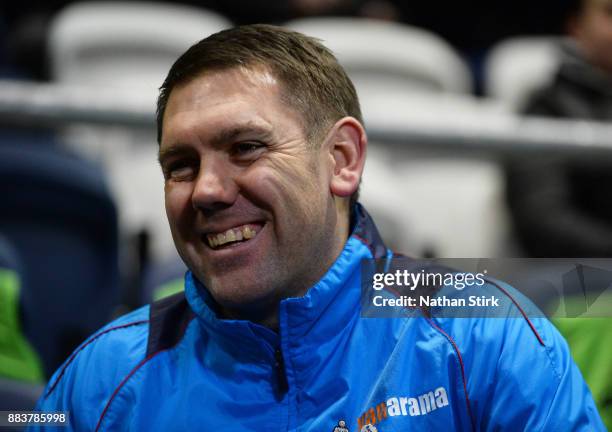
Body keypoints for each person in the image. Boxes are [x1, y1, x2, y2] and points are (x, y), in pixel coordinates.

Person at [32, 24, 604, 431]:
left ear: (342, 159)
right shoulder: (97, 380)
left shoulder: (491, 340)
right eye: (180, 166)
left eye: (246, 148)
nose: (205, 190)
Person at [506, 0, 612, 258]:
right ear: (576, 26)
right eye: (611, 13)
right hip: (583, 272)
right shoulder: (546, 106)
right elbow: (542, 218)